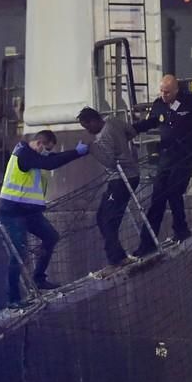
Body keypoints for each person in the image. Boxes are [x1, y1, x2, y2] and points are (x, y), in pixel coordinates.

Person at [0, 130, 89, 307]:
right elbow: (49, 163)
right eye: (45, 149)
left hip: (27, 210)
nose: (46, 153)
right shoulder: (24, 155)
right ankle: (13, 298)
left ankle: (39, 278)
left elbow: (52, 158)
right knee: (19, 253)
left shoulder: (32, 154)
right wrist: (77, 152)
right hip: (12, 211)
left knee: (51, 237)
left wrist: (75, 153)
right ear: (39, 143)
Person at [131, 75, 192, 257]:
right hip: (167, 154)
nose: (164, 95)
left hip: (185, 152)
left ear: (176, 90)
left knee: (174, 189)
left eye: (168, 92)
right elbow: (151, 122)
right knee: (157, 197)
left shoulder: (189, 100)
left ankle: (181, 228)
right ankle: (147, 242)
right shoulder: (158, 105)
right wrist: (132, 130)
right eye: (162, 91)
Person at [77, 107, 140, 273]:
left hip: (120, 179)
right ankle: (118, 254)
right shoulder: (113, 121)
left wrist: (92, 149)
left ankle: (116, 258)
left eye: (87, 126)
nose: (88, 131)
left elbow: (110, 162)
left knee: (106, 219)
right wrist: (123, 149)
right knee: (105, 217)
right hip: (132, 175)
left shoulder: (103, 137)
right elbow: (131, 131)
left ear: (94, 121)